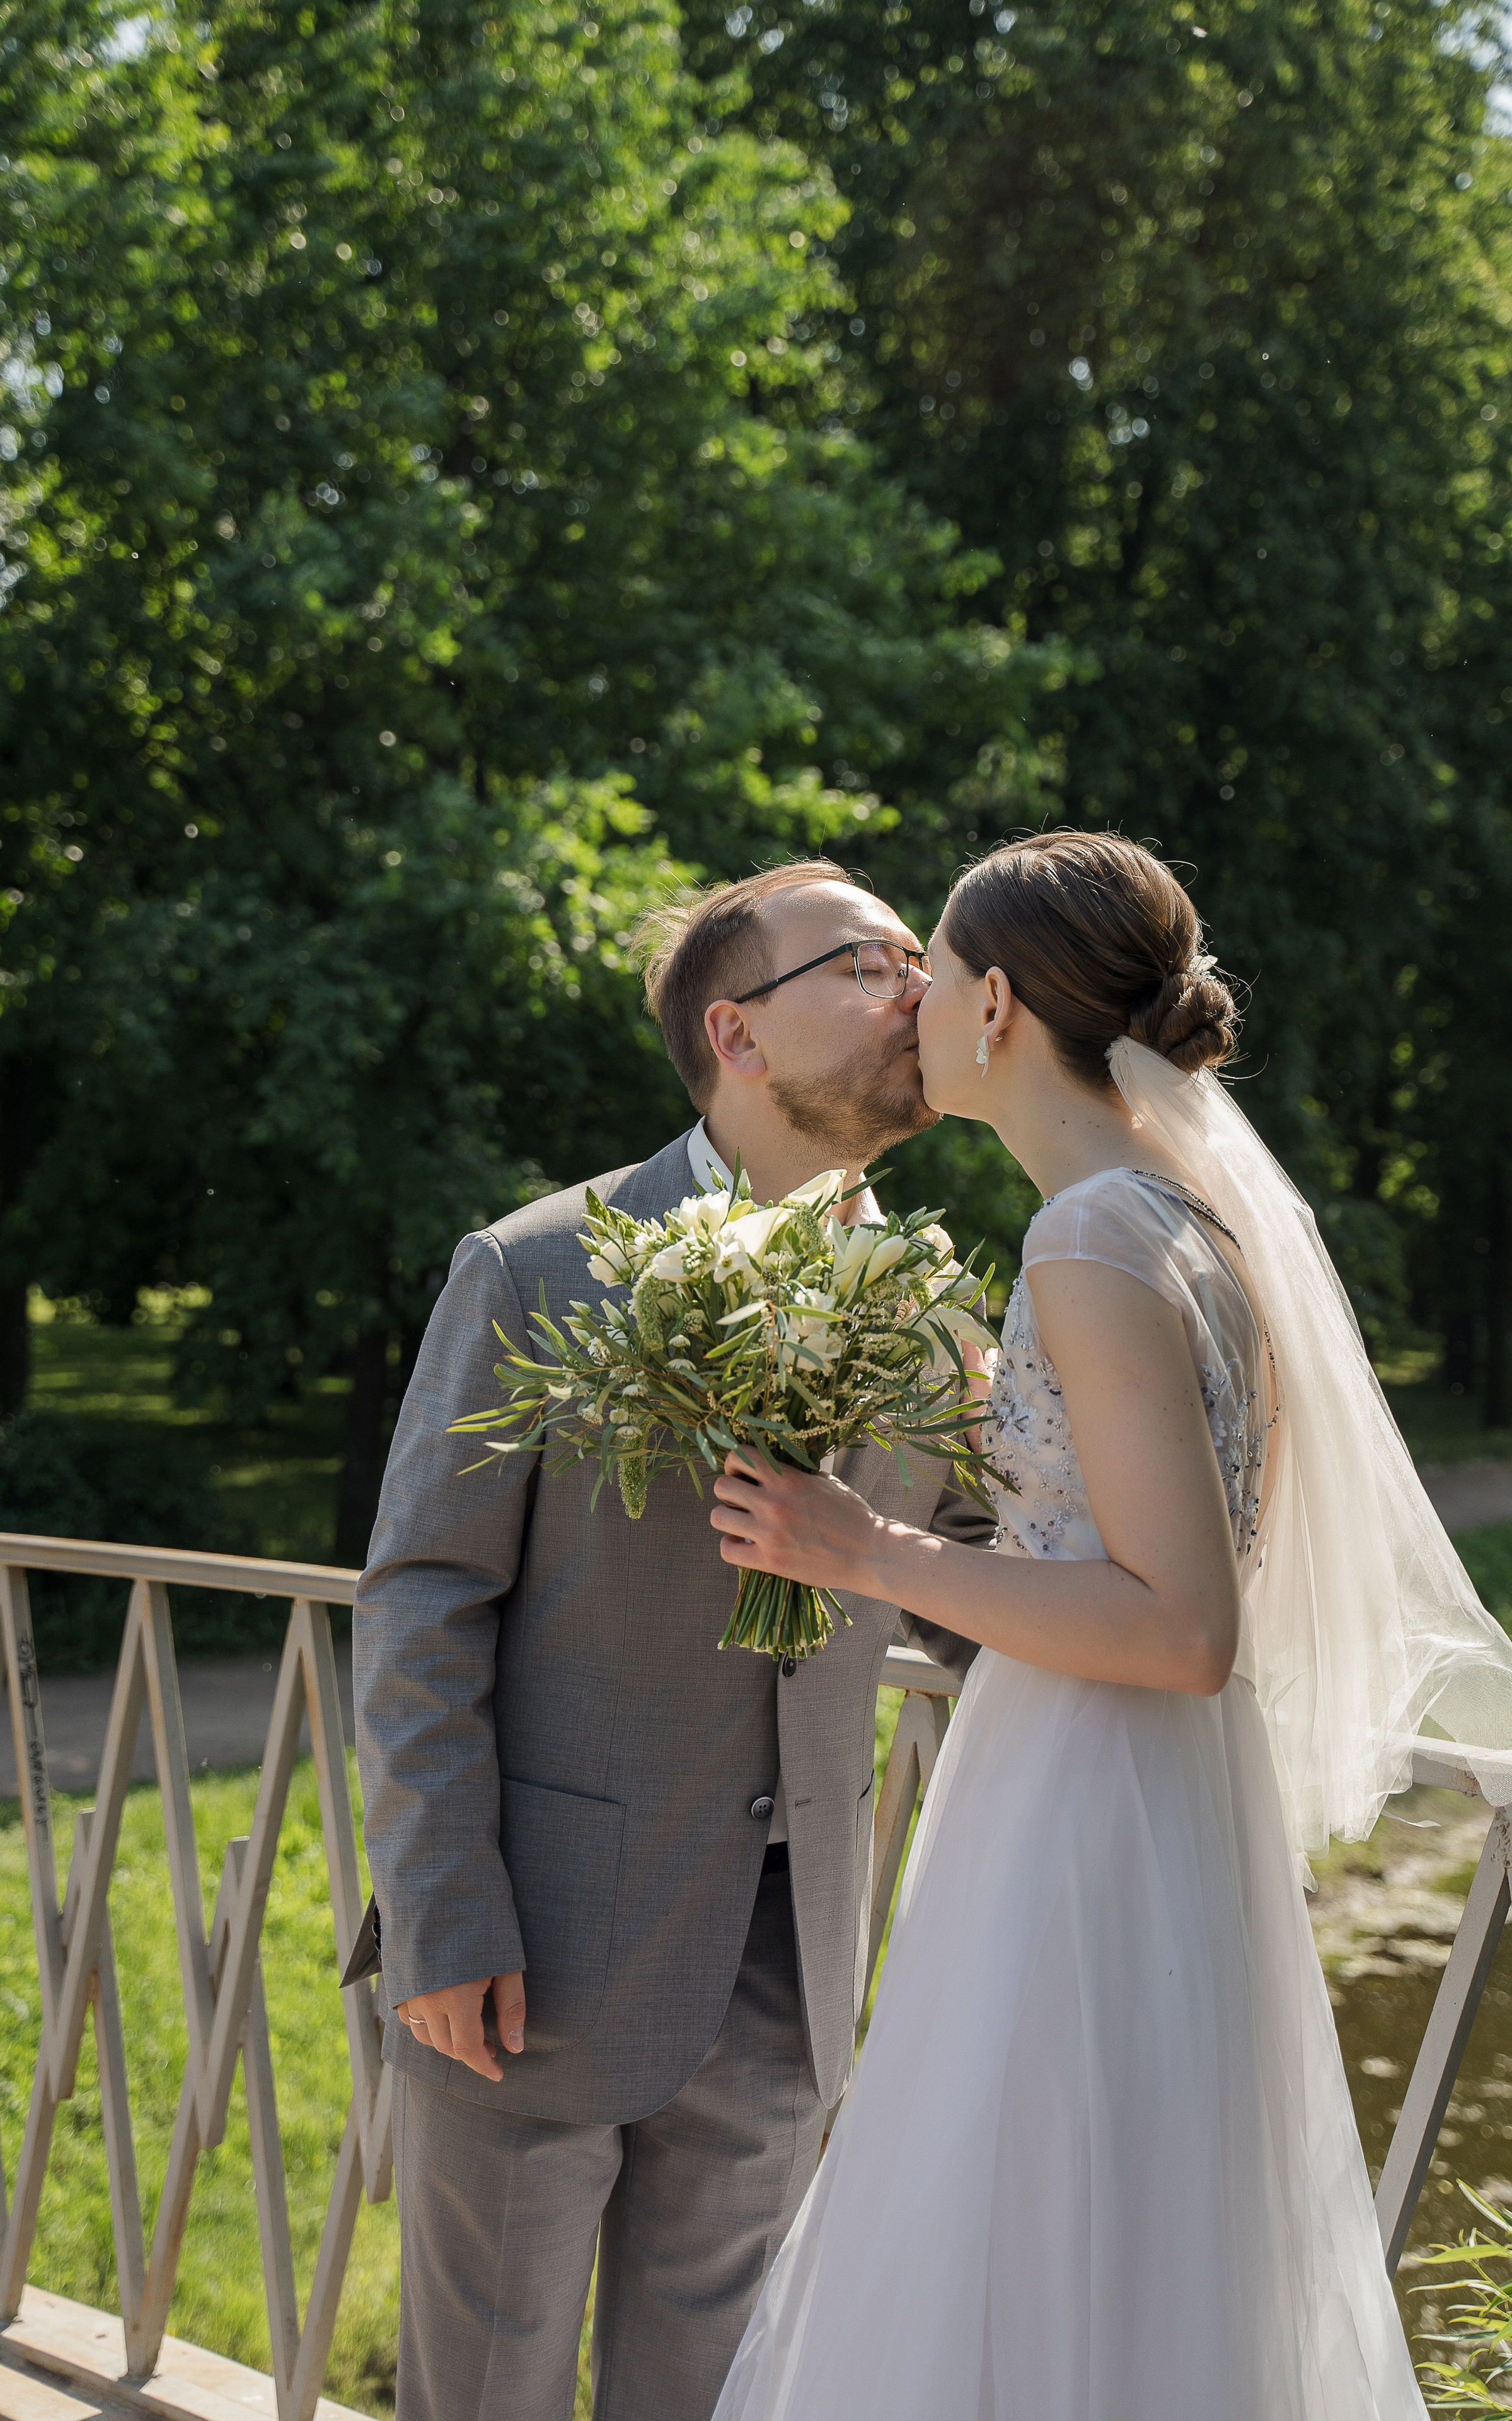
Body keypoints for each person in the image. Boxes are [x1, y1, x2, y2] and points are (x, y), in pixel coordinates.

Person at [707, 830, 1512, 2421]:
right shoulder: (1177, 1219)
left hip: (1086, 1790)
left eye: (929, 976)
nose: (910, 1009)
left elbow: (1177, 1626)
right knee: (1127, 2246)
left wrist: (859, 1547)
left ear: (999, 1004)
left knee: (1021, 2230)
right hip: (1143, 1789)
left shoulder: (1088, 1237)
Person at [349, 857, 991, 2421]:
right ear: (739, 1032)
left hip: (790, 1955)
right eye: (866, 961)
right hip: (531, 1961)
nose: (917, 985)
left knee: (708, 2396)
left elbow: (972, 1591)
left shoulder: (935, 1316)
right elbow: (425, 1599)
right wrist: (443, 1913)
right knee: (481, 2392)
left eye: (919, 956)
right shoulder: (532, 1265)